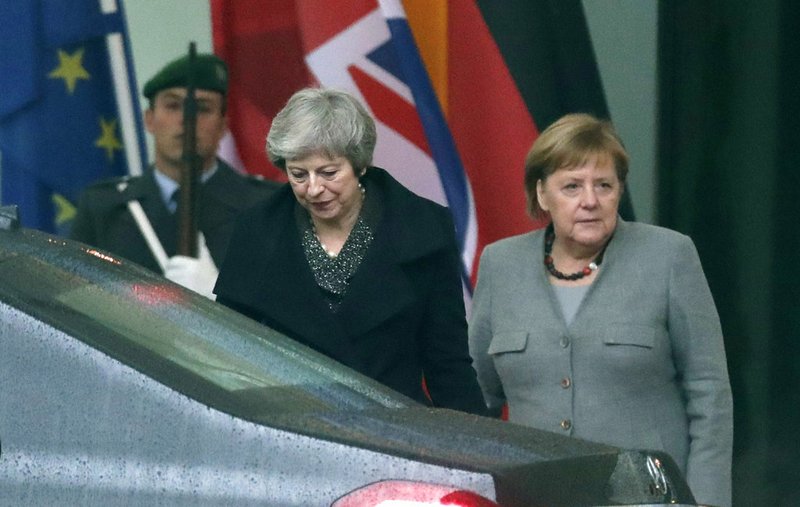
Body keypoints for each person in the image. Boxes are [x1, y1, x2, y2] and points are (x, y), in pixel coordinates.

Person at [468, 113, 733, 507]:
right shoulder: (500, 264)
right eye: (572, 186)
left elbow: (709, 394)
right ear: (542, 195)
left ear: (619, 191)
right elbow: (476, 396)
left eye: (604, 185)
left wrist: (707, 501)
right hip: (533, 497)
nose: (590, 200)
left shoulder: (669, 256)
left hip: (649, 499)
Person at [214, 87, 487, 415]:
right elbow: (229, 353)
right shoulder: (257, 230)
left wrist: (475, 450)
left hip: (394, 430)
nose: (314, 189)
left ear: (359, 165)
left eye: (329, 173)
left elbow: (448, 364)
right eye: (298, 175)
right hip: (292, 429)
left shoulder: (422, 230)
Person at [70, 53, 279, 298]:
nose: (186, 120)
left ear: (223, 126)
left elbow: (287, 310)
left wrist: (220, 296)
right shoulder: (105, 208)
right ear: (149, 120)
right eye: (172, 106)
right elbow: (76, 301)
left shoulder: (267, 209)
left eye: (202, 109)